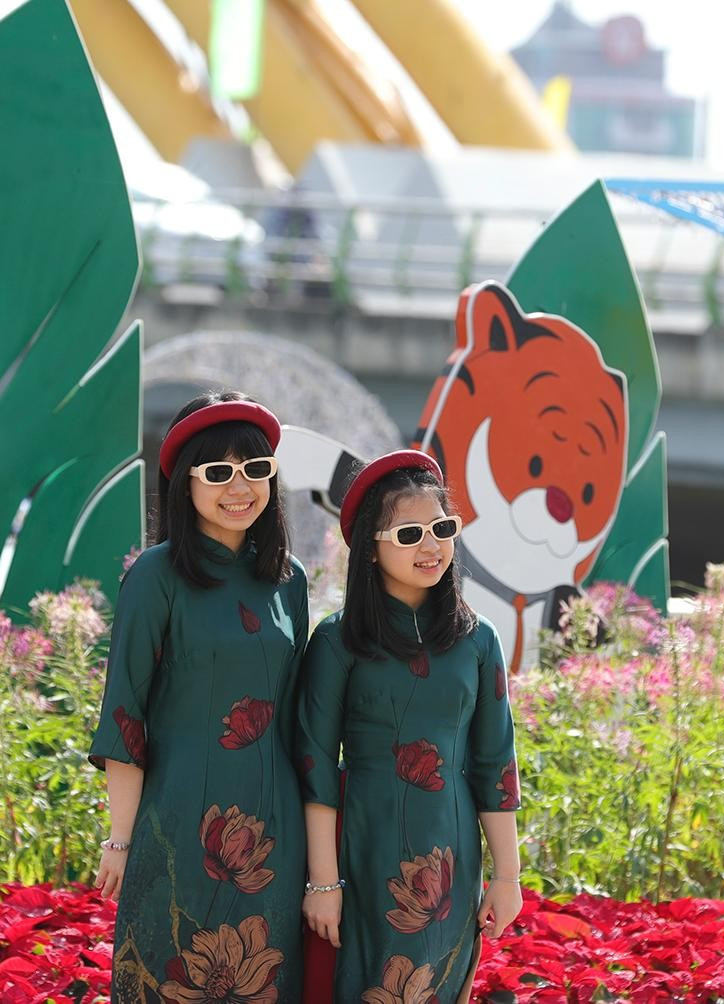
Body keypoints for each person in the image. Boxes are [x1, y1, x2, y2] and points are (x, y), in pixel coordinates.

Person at [89, 391, 309, 1003]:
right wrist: (122, 840)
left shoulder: (289, 580)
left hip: (272, 835)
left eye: (255, 468)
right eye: (217, 472)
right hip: (176, 826)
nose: (239, 487)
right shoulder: (154, 576)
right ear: (185, 484)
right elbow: (125, 716)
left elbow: (297, 717)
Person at [297, 450, 524, 1003]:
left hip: (452, 851)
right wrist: (323, 882)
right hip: (365, 849)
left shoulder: (479, 640)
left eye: (442, 529)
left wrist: (507, 877)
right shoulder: (337, 641)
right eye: (409, 534)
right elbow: (315, 765)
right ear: (369, 548)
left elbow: (495, 764)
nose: (431, 547)